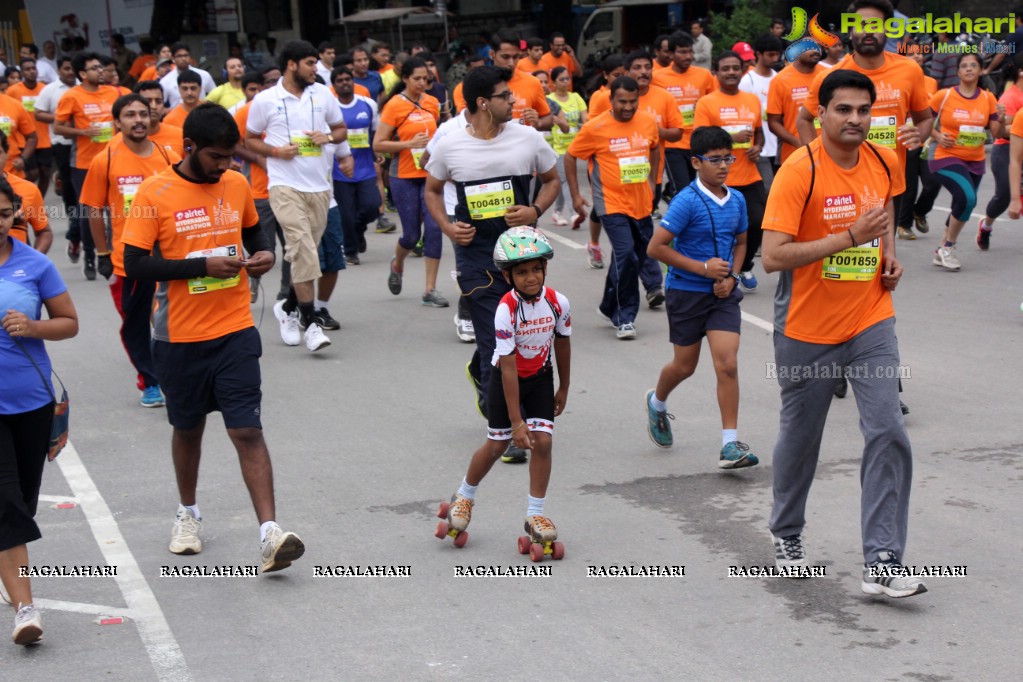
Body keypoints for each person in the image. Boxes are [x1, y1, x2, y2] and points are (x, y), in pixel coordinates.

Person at [762, 69, 925, 599]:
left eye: (863, 111)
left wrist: (891, 259)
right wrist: (848, 238)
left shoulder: (884, 157)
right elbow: (772, 257)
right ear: (821, 113)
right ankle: (787, 534)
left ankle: (883, 561)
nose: (855, 120)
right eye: (844, 110)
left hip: (871, 318)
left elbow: (887, 208)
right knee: (802, 438)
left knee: (888, 431)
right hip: (807, 329)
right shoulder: (798, 170)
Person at [121, 103, 305, 572]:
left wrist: (263, 255)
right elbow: (136, 265)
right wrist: (200, 266)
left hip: (235, 330)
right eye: (216, 157)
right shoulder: (153, 192)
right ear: (189, 148)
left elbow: (257, 236)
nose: (225, 165)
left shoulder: (238, 184)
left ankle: (270, 534)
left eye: (230, 157)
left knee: (246, 428)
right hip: (178, 337)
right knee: (188, 429)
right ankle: (188, 513)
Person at [424, 65, 561, 464]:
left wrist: (534, 208)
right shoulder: (451, 146)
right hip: (477, 255)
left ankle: (482, 374)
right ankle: (504, 432)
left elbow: (552, 181)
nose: (514, 101)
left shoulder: (528, 139)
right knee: (497, 345)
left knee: (520, 336)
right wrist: (449, 228)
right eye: (506, 96)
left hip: (522, 254)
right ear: (484, 102)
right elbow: (432, 190)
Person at [435, 226, 571, 553]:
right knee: (497, 445)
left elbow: (563, 345)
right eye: (521, 272)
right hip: (505, 380)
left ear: (545, 269)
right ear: (508, 276)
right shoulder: (505, 310)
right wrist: (516, 422)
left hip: (541, 376)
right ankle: (464, 497)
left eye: (536, 269)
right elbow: (508, 366)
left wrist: (564, 387)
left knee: (544, 442)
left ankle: (535, 515)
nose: (531, 277)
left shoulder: (558, 303)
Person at [646, 125, 757, 468]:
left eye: (728, 158)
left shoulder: (736, 199)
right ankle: (657, 402)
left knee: (727, 364)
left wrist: (732, 277)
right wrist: (702, 268)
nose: (724, 165)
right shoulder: (686, 202)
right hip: (686, 293)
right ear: (695, 162)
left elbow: (741, 243)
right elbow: (656, 248)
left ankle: (730, 444)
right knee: (685, 366)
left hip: (723, 295)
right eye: (715, 160)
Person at [0, 177, 79, 646]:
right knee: (7, 504)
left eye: (4, 211)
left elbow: (69, 323)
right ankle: (25, 609)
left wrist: (33, 326)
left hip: (31, 403)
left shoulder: (35, 265)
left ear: (14, 214)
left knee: (22, 502)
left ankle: (9, 568)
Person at [797, 0, 932, 268]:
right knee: (836, 261)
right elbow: (804, 119)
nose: (867, 31)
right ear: (849, 31)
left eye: (876, 25)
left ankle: (869, 309)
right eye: (859, 24)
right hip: (839, 184)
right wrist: (817, 161)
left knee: (875, 262)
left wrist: (919, 135)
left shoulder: (909, 70)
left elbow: (925, 118)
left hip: (888, 184)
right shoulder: (833, 75)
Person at [246, 40, 348, 352]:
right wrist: (276, 150)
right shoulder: (265, 100)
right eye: (310, 63)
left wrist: (327, 137)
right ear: (292, 64)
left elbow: (340, 129)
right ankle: (311, 323)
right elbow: (250, 139)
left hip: (319, 187)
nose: (315, 69)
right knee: (303, 250)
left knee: (307, 254)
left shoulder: (322, 93)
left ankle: (287, 308)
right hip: (284, 186)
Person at [80, 94, 178, 406]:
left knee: (172, 320)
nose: (138, 120)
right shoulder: (105, 159)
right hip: (128, 262)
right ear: (117, 123)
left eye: (143, 114)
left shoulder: (166, 155)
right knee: (135, 327)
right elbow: (93, 209)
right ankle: (149, 382)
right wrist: (102, 254)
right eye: (130, 115)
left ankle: (176, 375)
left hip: (169, 256)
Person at [566, 76, 660, 340]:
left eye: (633, 101)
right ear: (611, 100)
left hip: (641, 203)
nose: (628, 107)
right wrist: (575, 195)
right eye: (622, 102)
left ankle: (608, 305)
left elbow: (654, 147)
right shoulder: (596, 127)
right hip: (611, 203)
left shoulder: (648, 122)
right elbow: (571, 155)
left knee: (635, 257)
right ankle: (625, 317)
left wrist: (652, 181)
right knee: (626, 254)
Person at [374, 57, 448, 307]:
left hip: (430, 176)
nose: (421, 83)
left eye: (425, 78)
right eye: (416, 78)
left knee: (435, 230)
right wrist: (408, 144)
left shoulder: (433, 103)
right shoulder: (394, 105)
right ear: (404, 79)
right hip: (403, 175)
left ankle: (430, 289)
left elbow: (439, 137)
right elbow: (379, 144)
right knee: (411, 235)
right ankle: (398, 263)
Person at [694, 51, 766, 292]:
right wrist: (731, 138)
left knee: (759, 221)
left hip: (750, 174)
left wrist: (758, 147)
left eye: (736, 68)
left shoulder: (752, 100)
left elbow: (758, 132)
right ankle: (723, 272)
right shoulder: (707, 103)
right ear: (716, 73)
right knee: (722, 230)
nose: (732, 72)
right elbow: (701, 140)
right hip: (719, 180)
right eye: (726, 68)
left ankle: (744, 266)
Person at [927, 53, 1000, 271]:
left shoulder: (988, 99)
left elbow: (996, 133)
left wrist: (1002, 117)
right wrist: (938, 136)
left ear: (980, 70)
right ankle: (949, 247)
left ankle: (941, 249)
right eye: (964, 66)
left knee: (962, 203)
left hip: (975, 160)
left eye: (973, 65)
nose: (969, 69)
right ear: (958, 72)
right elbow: (920, 121)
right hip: (944, 156)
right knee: (967, 198)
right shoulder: (944, 96)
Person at [54, 51, 120, 280]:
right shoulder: (72, 96)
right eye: (94, 68)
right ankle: (89, 255)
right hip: (83, 163)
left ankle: (112, 254)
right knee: (88, 213)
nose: (100, 71)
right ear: (82, 73)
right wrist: (83, 131)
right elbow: (57, 128)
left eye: (101, 67)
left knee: (115, 211)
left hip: (113, 160)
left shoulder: (113, 92)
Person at [232, 71, 289, 303]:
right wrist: (258, 159)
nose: (274, 86)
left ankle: (287, 293)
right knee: (264, 249)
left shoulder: (291, 109)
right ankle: (254, 280)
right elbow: (233, 145)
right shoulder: (246, 111)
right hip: (259, 192)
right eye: (269, 82)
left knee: (291, 248)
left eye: (278, 81)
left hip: (289, 189)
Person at [653, 32, 716, 196]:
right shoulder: (657, 77)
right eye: (682, 52)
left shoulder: (704, 75)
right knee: (683, 189)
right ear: (671, 54)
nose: (688, 56)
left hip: (697, 141)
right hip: (672, 143)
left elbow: (714, 101)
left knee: (693, 187)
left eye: (690, 51)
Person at [331, 67, 381, 267]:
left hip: (365, 167)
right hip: (340, 170)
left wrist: (377, 153)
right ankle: (351, 252)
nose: (345, 83)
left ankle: (358, 231)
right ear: (334, 86)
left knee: (372, 206)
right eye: (340, 80)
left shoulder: (368, 104)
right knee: (346, 216)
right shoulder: (331, 108)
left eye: (348, 79)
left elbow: (376, 132)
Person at [976, 57, 1023, 249]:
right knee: (1005, 194)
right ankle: (986, 225)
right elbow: (1000, 132)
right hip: (1006, 148)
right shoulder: (1010, 97)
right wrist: (1017, 128)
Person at [32, 55, 76, 259]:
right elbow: (38, 113)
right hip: (62, 144)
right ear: (59, 71)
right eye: (66, 69)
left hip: (85, 145)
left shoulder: (83, 87)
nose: (70, 72)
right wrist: (60, 119)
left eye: (73, 68)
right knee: (69, 187)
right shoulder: (50, 90)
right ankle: (74, 219)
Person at [766, 41, 824, 166]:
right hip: (795, 155)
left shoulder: (829, 74)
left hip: (829, 152)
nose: (816, 50)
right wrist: (798, 142)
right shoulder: (780, 80)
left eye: (818, 46)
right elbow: (773, 122)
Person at [739, 35, 782, 190]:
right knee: (767, 190)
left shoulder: (779, 78)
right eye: (770, 54)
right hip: (759, 148)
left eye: (777, 54)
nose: (775, 58)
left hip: (778, 147)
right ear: (758, 54)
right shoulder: (747, 81)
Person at [546, 66, 587, 226]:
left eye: (568, 78)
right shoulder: (550, 100)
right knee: (565, 180)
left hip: (575, 146)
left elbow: (585, 118)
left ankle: (557, 211)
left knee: (563, 179)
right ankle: (574, 213)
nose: (566, 82)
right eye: (562, 79)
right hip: (558, 146)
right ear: (554, 82)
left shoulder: (576, 97)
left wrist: (586, 126)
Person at [8, 58, 54, 195]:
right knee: (32, 173)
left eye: (33, 68)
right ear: (22, 72)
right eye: (27, 69)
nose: (31, 71)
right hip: (24, 139)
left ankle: (38, 200)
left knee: (45, 172)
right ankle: (25, 197)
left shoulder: (44, 89)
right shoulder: (13, 91)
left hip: (44, 137)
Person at [0, 131, 52, 252]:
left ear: (7, 154)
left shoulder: (28, 190)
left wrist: (32, 262)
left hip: (17, 268)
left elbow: (44, 231)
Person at [159, 43, 216, 109]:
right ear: (173, 58)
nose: (183, 59)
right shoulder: (165, 81)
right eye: (179, 56)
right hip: (178, 117)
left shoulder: (204, 75)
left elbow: (214, 97)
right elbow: (160, 104)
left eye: (186, 55)